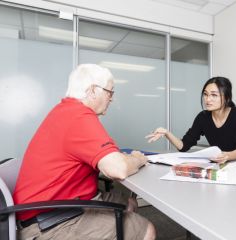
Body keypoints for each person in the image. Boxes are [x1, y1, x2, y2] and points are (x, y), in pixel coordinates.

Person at [13, 64, 156, 239]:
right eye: (110, 92)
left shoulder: (66, 110)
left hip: (60, 205)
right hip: (47, 222)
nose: (111, 99)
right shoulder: (78, 117)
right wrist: (137, 159)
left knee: (129, 203)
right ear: (93, 91)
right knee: (146, 230)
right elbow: (118, 169)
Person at [146, 76, 236, 163]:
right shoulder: (203, 117)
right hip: (217, 164)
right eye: (205, 94)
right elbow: (184, 146)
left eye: (214, 95)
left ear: (227, 98)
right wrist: (167, 133)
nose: (207, 99)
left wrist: (226, 156)